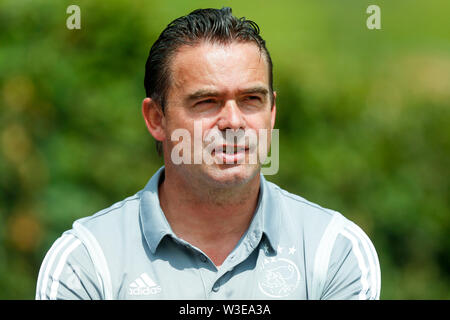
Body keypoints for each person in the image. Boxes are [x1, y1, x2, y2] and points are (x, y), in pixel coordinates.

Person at [36, 7, 380, 300]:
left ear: (272, 112)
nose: (233, 121)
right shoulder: (85, 263)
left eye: (251, 100)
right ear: (157, 119)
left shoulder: (334, 250)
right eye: (206, 102)